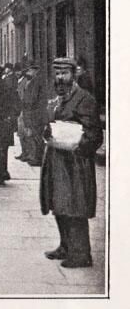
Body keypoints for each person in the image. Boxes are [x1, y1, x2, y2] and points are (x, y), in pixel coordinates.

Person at [40, 57, 103, 268]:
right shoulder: (58, 99)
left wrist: (76, 145)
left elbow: (94, 135)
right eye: (57, 73)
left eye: (64, 73)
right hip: (57, 160)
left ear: (74, 74)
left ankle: (81, 254)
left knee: (75, 208)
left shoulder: (84, 99)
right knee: (59, 205)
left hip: (75, 165)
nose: (59, 78)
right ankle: (65, 246)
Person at [16, 62, 45, 166]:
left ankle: (37, 158)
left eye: (30, 70)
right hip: (30, 111)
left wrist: (25, 102)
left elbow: (33, 97)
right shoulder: (33, 81)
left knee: (35, 135)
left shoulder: (37, 81)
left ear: (35, 70)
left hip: (34, 111)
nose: (28, 72)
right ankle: (32, 155)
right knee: (30, 134)